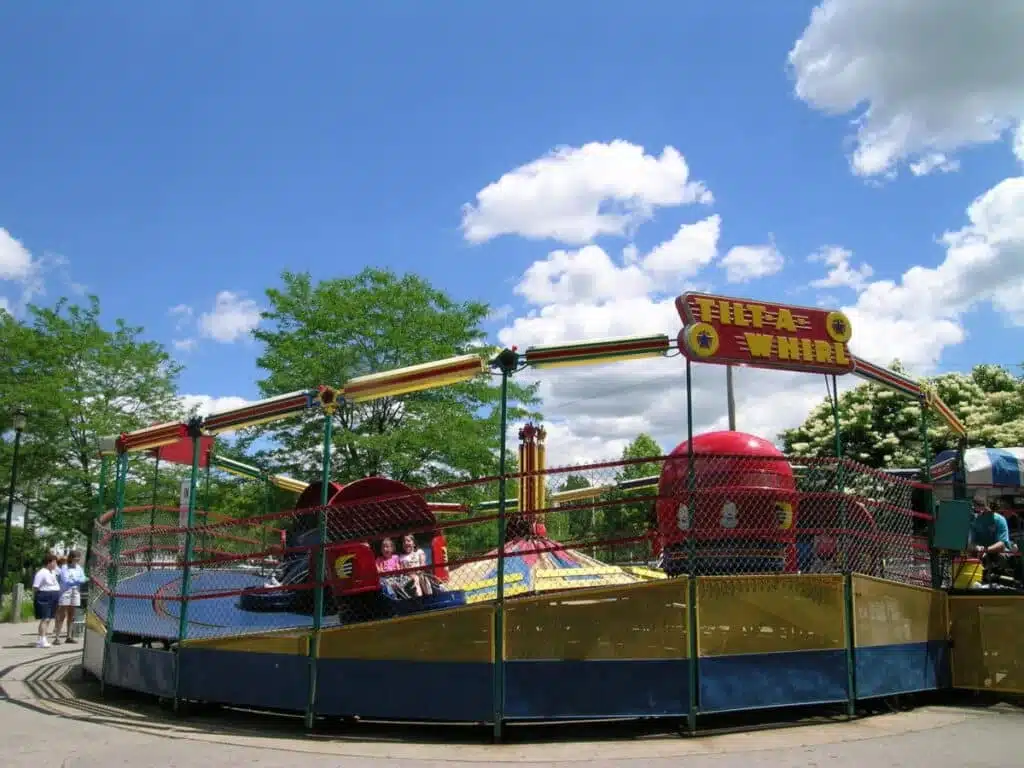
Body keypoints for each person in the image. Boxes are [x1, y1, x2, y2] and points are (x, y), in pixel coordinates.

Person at [969, 491, 1014, 574]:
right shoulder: (975, 521)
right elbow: (972, 542)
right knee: (971, 555)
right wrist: (977, 548)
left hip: (1000, 552)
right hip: (982, 552)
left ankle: (1003, 576)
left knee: (1001, 556)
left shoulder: (1000, 520)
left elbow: (1001, 544)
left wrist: (986, 550)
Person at [54, 550, 88, 645]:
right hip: (66, 592)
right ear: (71, 558)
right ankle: (57, 637)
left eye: (78, 558)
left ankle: (69, 636)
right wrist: (78, 580)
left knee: (71, 615)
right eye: (75, 558)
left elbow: (84, 578)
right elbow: (66, 580)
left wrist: (76, 580)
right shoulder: (64, 567)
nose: (77, 560)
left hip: (75, 592)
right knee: (62, 614)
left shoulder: (79, 568)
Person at [32, 554, 61, 649]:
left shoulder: (53, 571)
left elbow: (61, 571)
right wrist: (38, 597)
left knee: (48, 618)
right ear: (49, 562)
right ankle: (41, 639)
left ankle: (42, 638)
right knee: (45, 618)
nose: (56, 564)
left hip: (54, 595)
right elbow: (36, 587)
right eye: (54, 562)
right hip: (45, 595)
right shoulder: (42, 572)